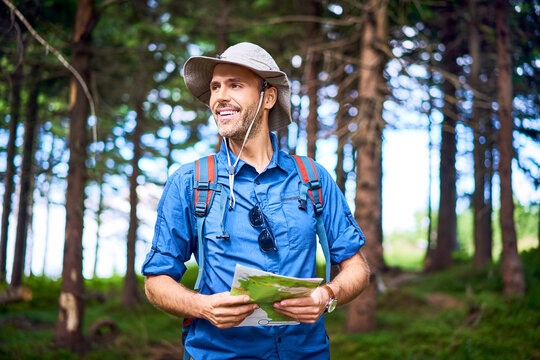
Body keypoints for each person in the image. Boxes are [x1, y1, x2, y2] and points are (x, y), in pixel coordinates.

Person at [142, 42, 370, 359]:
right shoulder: (190, 182)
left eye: (235, 84)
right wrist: (203, 306)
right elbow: (156, 280)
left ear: (269, 97)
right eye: (214, 87)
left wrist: (326, 295)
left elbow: (357, 267)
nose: (220, 97)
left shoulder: (312, 178)